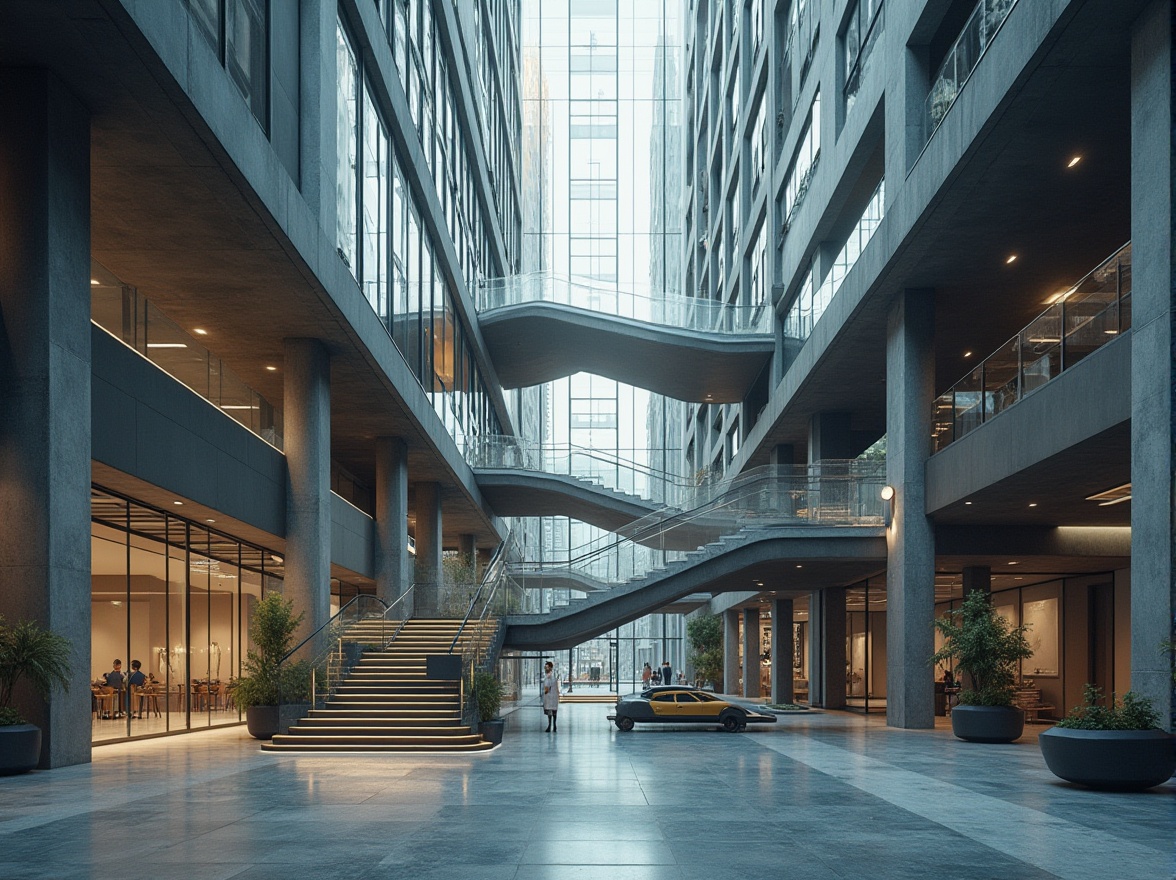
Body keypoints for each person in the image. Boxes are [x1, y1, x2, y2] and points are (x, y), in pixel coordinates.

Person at [542, 661, 560, 732]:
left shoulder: (549, 676)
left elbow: (547, 686)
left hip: (550, 695)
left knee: (550, 711)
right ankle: (554, 725)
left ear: (550, 667)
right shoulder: (553, 675)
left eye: (547, 667)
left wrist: (545, 692)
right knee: (554, 711)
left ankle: (550, 726)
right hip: (553, 695)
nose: (546, 668)